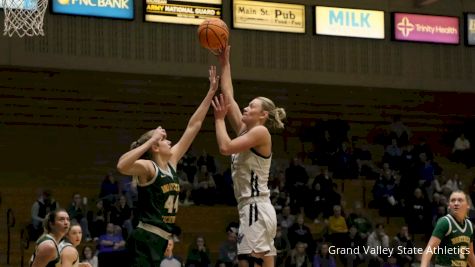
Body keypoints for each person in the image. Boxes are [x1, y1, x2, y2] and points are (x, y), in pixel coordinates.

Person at [116, 65, 219, 267]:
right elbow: (121, 165)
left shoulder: (171, 163)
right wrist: (150, 139)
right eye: (164, 139)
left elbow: (193, 126)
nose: (170, 142)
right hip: (145, 238)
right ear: (155, 146)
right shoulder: (148, 168)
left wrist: (210, 93)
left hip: (161, 239)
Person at [213, 45, 286, 267]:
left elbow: (225, 147)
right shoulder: (247, 131)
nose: (245, 108)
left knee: (246, 263)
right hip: (257, 208)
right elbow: (228, 95)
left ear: (263, 115)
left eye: (251, 106)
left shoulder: (260, 132)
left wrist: (218, 119)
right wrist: (225, 62)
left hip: (254, 207)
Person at [421, 190, 475, 267]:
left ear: (468, 205)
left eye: (460, 200)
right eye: (453, 200)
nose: (456, 203)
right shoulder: (445, 222)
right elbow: (430, 249)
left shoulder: (469, 225)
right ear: (449, 206)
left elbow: (470, 255)